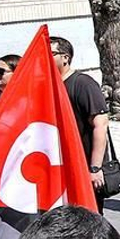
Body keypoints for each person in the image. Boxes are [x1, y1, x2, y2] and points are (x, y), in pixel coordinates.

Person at [49, 36, 111, 213]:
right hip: (62, 169)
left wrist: (95, 168)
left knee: (89, 220)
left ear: (65, 57)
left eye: (50, 53)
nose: (46, 58)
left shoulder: (83, 84)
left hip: (83, 168)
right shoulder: (51, 87)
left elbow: (100, 125)